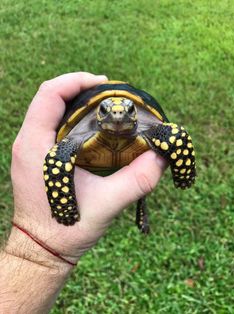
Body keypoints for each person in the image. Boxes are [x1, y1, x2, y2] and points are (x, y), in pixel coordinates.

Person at [0, 72, 166, 313]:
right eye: (107, 111)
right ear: (98, 114)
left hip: (120, 144)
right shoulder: (73, 141)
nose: (117, 116)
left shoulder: (149, 128)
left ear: (134, 113)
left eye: (128, 112)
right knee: (61, 156)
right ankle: (67, 207)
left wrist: (36, 256)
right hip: (89, 146)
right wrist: (62, 209)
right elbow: (57, 155)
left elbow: (174, 134)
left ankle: (142, 207)